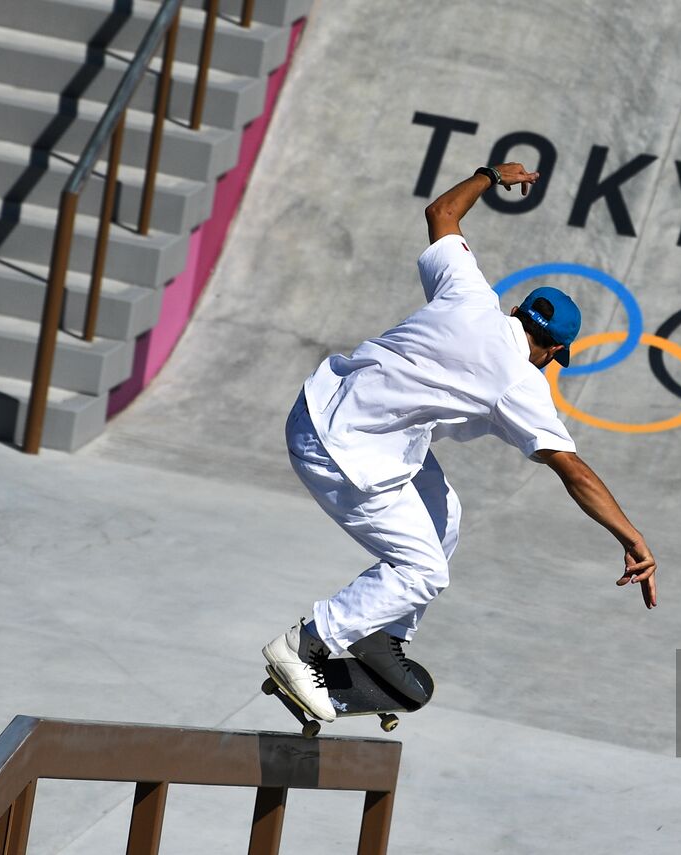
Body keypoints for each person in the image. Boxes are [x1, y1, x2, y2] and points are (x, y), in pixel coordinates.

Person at [263, 163, 657, 722]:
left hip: (319, 406)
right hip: (341, 453)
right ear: (549, 349)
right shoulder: (518, 380)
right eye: (552, 361)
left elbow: (441, 214)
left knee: (442, 512)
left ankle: (382, 636)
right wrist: (632, 536)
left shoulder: (470, 294)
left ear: (520, 314)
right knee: (423, 570)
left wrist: (490, 175)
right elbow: (574, 471)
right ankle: (307, 643)